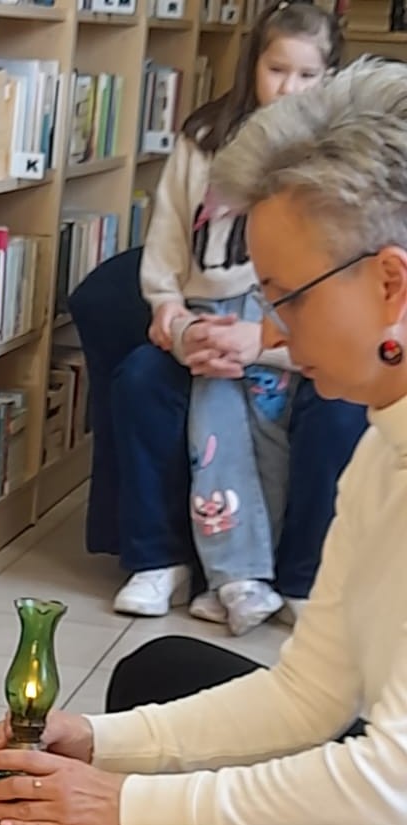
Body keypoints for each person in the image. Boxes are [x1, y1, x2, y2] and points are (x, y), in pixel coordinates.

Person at [0, 57, 407, 825]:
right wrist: (107, 749)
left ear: (393, 284)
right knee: (156, 678)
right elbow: (314, 691)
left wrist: (126, 808)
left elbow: (387, 774)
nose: (267, 322)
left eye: (288, 294)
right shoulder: (385, 434)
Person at [122, 0, 341, 635]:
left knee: (331, 408)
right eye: (277, 70)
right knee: (143, 380)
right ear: (252, 65)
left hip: (297, 338)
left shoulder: (341, 158)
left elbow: (347, 294)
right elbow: (163, 262)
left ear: (329, 77)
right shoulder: (201, 141)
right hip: (205, 326)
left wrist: (266, 341)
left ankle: (290, 575)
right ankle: (165, 561)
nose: (288, 89)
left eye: (307, 75)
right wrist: (182, 327)